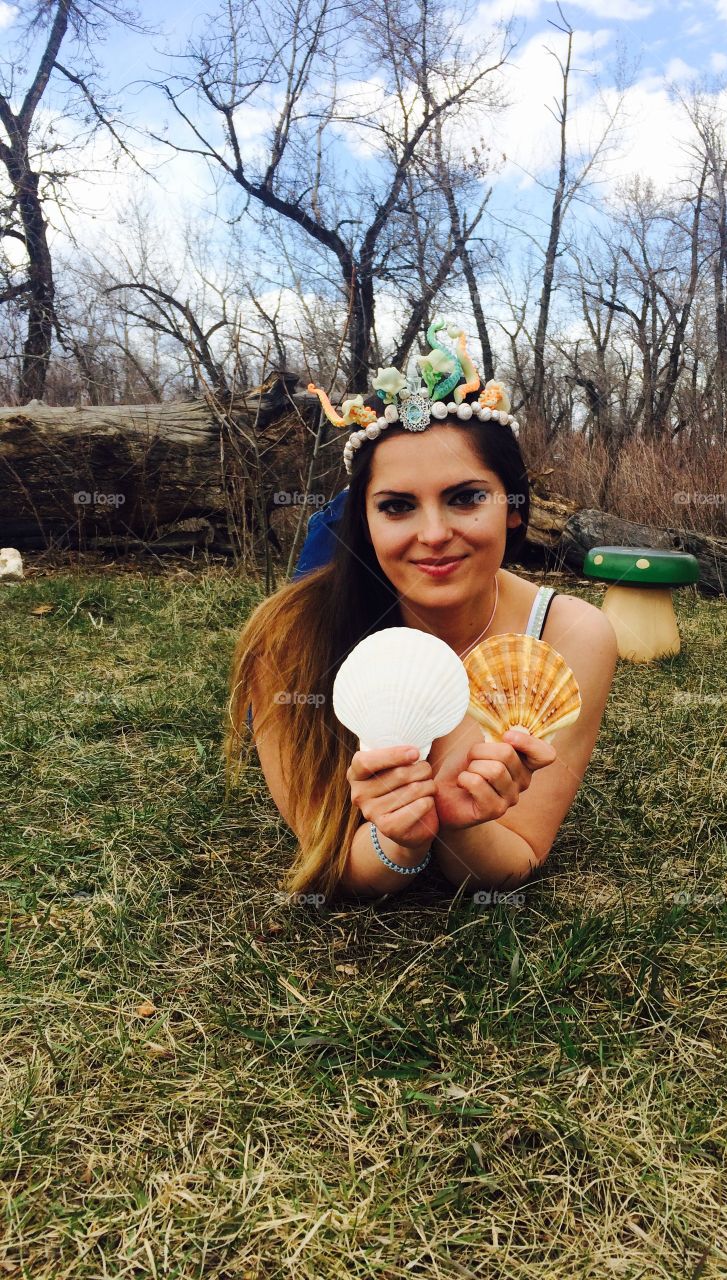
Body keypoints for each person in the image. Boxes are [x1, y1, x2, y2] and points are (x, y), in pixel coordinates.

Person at [223, 318, 618, 903]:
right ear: (365, 520)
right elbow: (336, 863)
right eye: (398, 506)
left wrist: (462, 822)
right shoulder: (288, 639)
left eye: (465, 498)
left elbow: (514, 860)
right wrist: (400, 843)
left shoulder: (572, 635)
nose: (433, 535)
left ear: (513, 509)